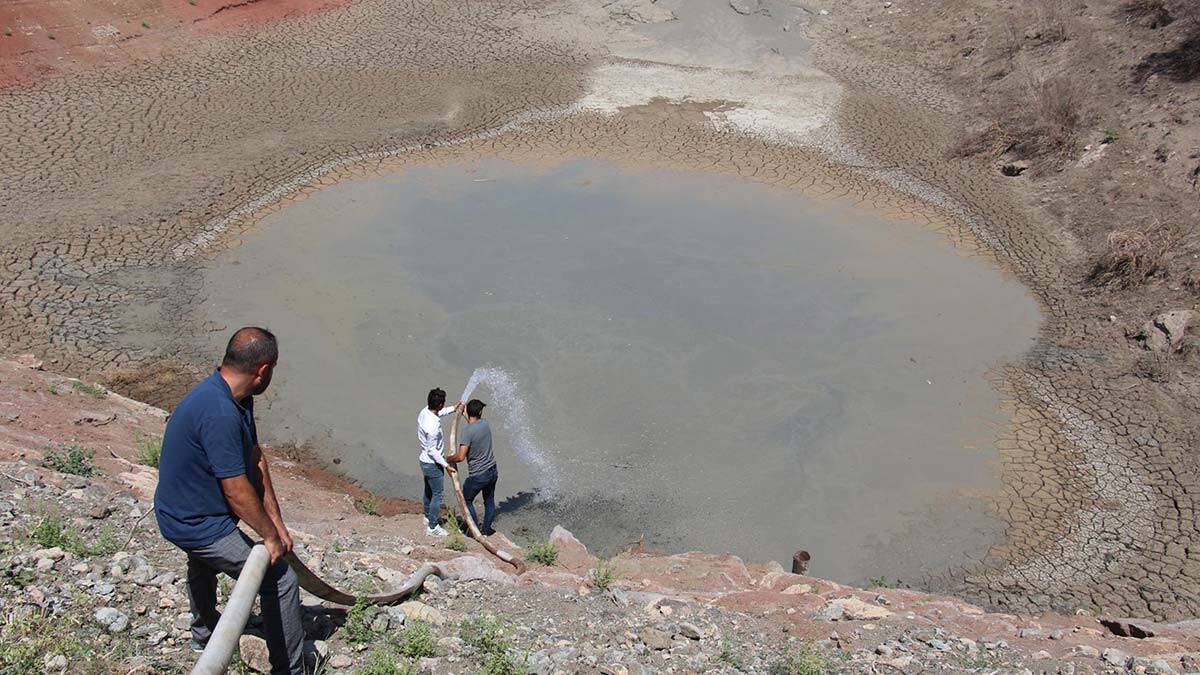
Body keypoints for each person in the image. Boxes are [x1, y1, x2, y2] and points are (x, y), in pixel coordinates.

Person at [153, 327, 303, 675]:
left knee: (203, 564)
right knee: (281, 580)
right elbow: (236, 490)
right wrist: (268, 538)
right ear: (263, 370)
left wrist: (277, 524)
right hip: (191, 521)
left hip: (193, 509)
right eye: (274, 369)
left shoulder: (236, 397)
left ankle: (204, 633)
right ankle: (289, 671)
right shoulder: (219, 412)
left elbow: (255, 458)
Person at [447, 398, 498, 535]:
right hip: (492, 470)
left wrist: (448, 459)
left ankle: (473, 529)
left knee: (466, 499)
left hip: (479, 475)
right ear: (480, 412)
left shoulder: (467, 431)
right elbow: (474, 426)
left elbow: (460, 457)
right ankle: (487, 530)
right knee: (489, 500)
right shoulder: (485, 424)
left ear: (468, 412)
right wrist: (466, 416)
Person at [417, 388, 461, 537]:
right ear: (440, 404)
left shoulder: (425, 412)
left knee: (428, 490)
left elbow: (438, 413)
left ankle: (427, 516)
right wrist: (446, 465)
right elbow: (432, 450)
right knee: (438, 494)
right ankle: (433, 527)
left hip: (424, 461)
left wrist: (453, 409)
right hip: (432, 464)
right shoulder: (433, 427)